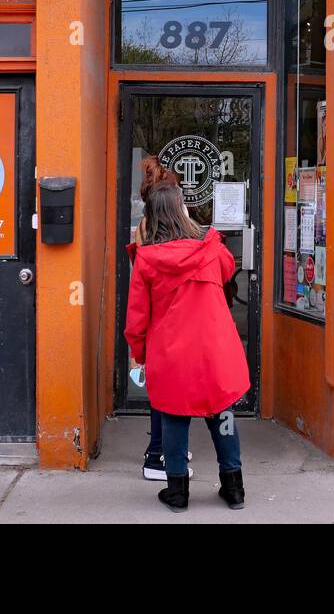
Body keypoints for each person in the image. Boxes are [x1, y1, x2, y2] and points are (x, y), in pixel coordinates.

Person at [125, 168, 250, 512]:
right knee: (222, 415)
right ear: (182, 210)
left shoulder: (147, 259)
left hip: (172, 353)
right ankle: (234, 488)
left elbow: (137, 317)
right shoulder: (212, 249)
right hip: (215, 350)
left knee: (174, 417)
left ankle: (177, 492)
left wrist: (138, 352)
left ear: (150, 215)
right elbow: (227, 272)